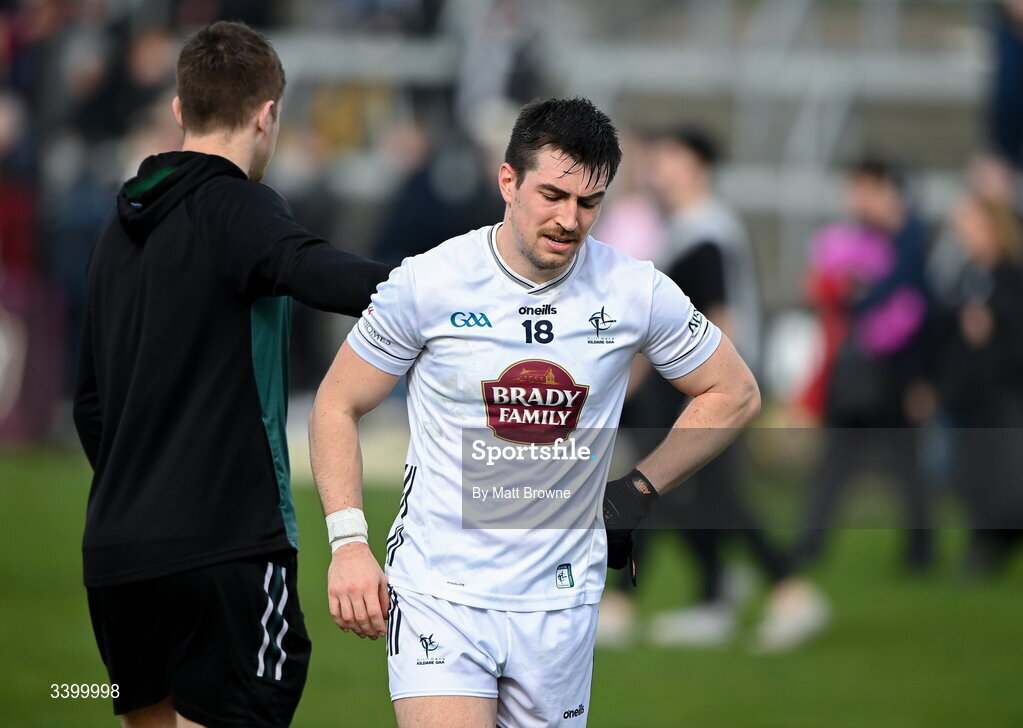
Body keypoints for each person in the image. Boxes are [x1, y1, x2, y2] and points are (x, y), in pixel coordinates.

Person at [308, 98, 760, 728]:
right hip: (441, 594)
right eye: (552, 195)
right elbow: (336, 402)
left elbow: (733, 391)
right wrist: (349, 543)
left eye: (589, 203)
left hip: (560, 605)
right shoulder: (430, 282)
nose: (569, 219)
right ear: (508, 182)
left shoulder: (635, 290)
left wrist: (640, 488)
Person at [72, 21, 391, 728]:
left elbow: (88, 406)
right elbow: (314, 270)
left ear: (181, 110)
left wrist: (142, 485)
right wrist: (449, 286)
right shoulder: (238, 204)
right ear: (267, 113)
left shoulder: (113, 230)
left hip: (119, 553)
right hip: (224, 546)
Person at [599, 125, 827, 652]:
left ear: (697, 165)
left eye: (668, 156)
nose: (656, 167)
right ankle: (716, 594)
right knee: (684, 494)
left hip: (705, 391)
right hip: (694, 387)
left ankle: (786, 592)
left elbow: (722, 320)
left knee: (693, 492)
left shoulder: (707, 229)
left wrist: (707, 392)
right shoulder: (684, 227)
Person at [794, 158, 934, 570]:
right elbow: (827, 289)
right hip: (854, 369)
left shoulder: (908, 238)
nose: (859, 199)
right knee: (837, 463)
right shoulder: (853, 238)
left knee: (905, 465)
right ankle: (810, 544)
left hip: (894, 371)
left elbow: (911, 303)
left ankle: (920, 550)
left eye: (869, 189)